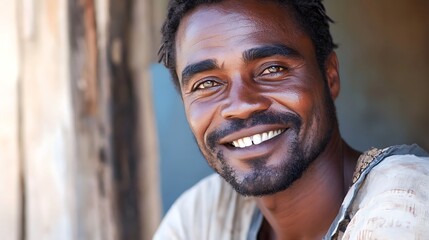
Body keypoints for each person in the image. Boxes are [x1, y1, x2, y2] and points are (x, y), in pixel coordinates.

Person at [153, 0, 429, 239]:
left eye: (272, 69)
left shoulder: (408, 203)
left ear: (329, 76)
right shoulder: (203, 215)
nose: (241, 105)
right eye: (207, 84)